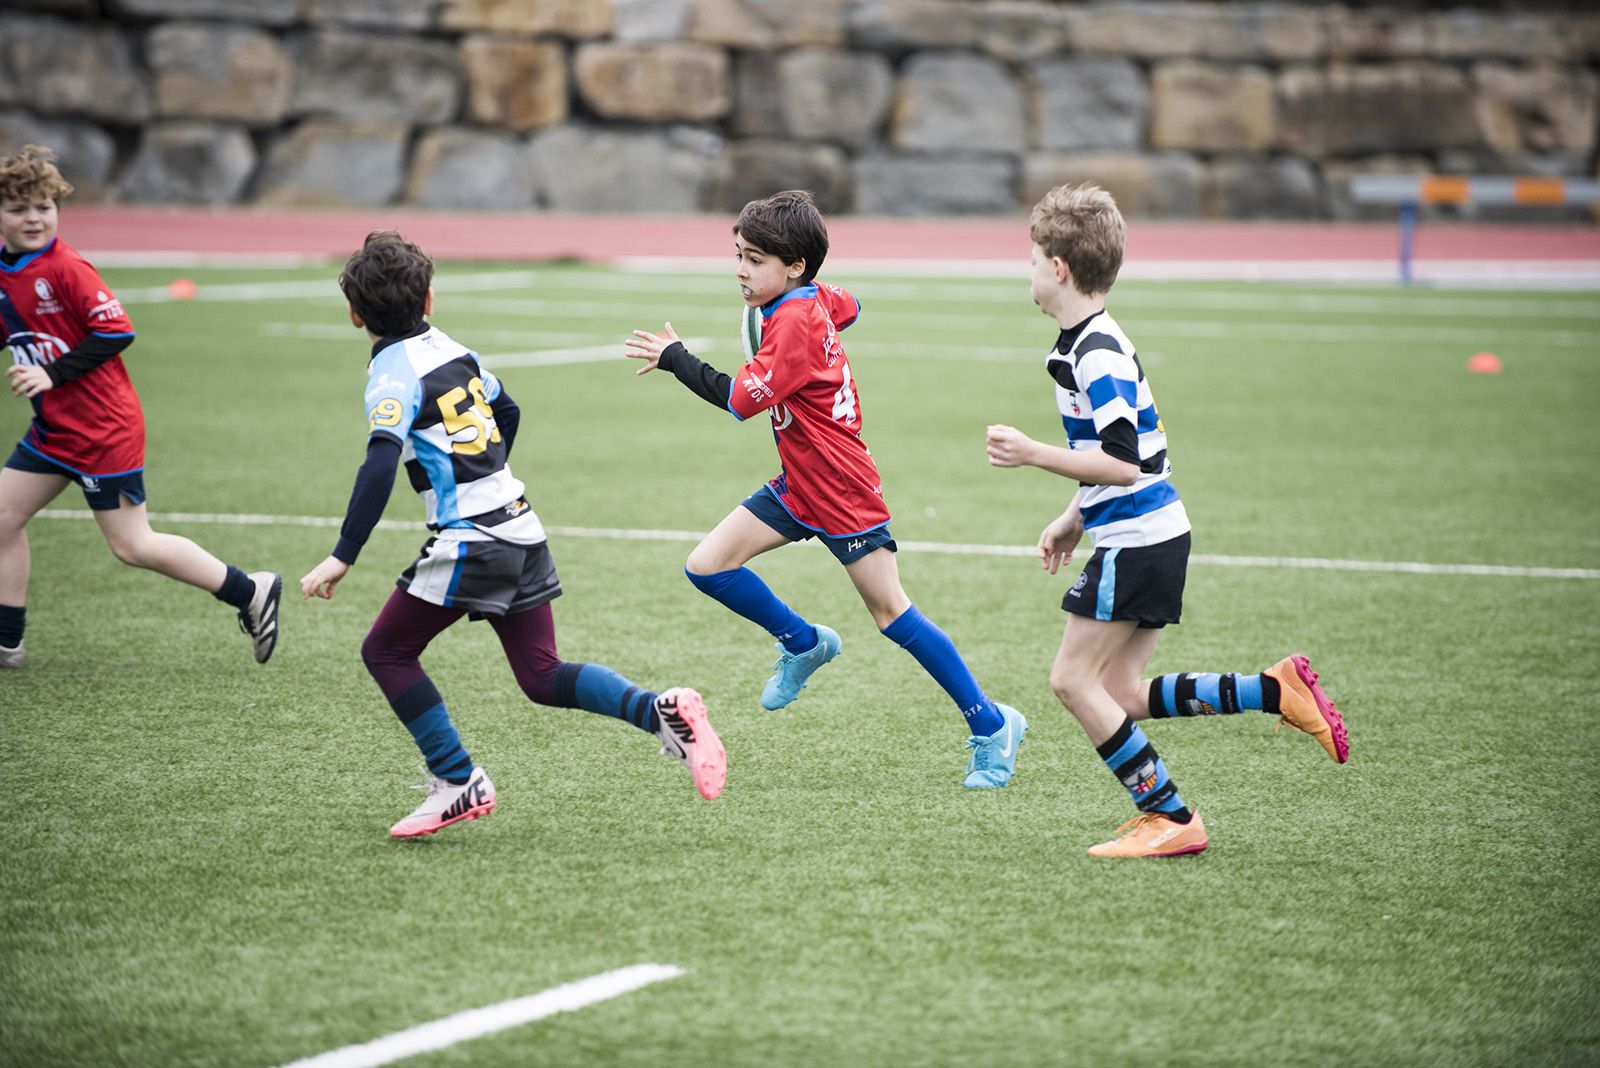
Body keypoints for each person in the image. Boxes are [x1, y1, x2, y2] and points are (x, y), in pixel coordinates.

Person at [300, 230, 725, 839]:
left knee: (386, 652)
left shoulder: (391, 374)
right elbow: (509, 409)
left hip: (471, 538)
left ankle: (456, 780)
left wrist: (344, 555)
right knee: (542, 676)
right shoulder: (454, 350)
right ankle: (661, 714)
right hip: (520, 526)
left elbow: (378, 461)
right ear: (429, 301)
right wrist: (489, 479)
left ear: (354, 314)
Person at [985, 182, 1348, 858]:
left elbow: (1124, 462)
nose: (1029, 272)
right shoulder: (1082, 342)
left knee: (1071, 682)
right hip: (1148, 533)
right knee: (1118, 692)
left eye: (1032, 259)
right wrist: (1073, 516)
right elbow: (1133, 449)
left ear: (1059, 269)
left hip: (1139, 541)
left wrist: (1036, 454)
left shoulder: (1096, 352)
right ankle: (1273, 690)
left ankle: (1171, 816)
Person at [625, 190, 1027, 789]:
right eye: (739, 254)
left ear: (795, 267)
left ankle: (993, 725)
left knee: (893, 615)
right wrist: (818, 306)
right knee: (707, 566)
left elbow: (737, 400)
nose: (741, 269)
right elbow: (850, 304)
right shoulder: (808, 296)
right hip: (800, 482)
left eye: (755, 259)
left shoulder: (790, 320)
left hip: (841, 489)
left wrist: (676, 358)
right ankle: (804, 642)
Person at [0, 144, 280, 669]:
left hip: (103, 430)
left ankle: (250, 591)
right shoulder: (4, 273)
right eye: (19, 209)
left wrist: (50, 373)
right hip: (54, 431)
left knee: (132, 546)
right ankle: (7, 641)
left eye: (44, 206)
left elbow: (117, 330)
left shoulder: (65, 268)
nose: (34, 218)